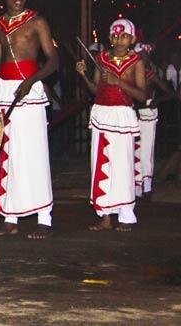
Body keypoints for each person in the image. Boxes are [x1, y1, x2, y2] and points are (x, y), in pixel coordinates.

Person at [0, 0, 58, 240]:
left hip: (29, 91)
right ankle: (10, 217)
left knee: (34, 152)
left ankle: (44, 217)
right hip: (5, 91)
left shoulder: (37, 21)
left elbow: (53, 61)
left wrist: (33, 79)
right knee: (8, 153)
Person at [76, 19, 146, 231]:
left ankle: (126, 216)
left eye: (124, 36)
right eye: (115, 36)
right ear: (109, 37)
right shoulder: (102, 58)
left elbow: (142, 95)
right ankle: (105, 216)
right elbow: (95, 90)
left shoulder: (136, 62)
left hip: (122, 117)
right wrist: (83, 75)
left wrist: (119, 82)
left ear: (132, 39)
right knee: (101, 163)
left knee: (122, 166)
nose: (119, 40)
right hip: (102, 115)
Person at [133, 43, 174, 198]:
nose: (141, 58)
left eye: (143, 55)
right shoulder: (131, 74)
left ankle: (147, 186)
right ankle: (137, 187)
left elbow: (169, 92)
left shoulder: (150, 74)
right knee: (135, 149)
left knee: (146, 150)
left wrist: (157, 101)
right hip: (134, 114)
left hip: (148, 113)